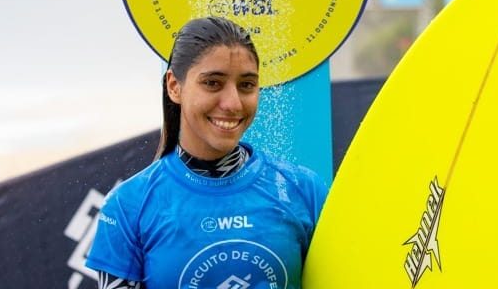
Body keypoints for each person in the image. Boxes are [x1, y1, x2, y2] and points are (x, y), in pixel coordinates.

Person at [86, 16, 329, 288]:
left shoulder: (304, 189)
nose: (233, 103)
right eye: (213, 83)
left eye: (246, 85)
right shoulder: (128, 204)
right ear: (174, 86)